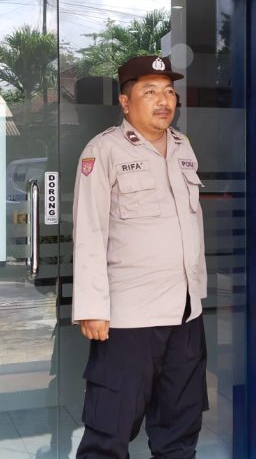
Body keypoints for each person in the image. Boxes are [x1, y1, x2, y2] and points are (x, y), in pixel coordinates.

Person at [72, 55, 209, 458]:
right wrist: (92, 308)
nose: (164, 100)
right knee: (109, 434)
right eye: (150, 92)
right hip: (129, 319)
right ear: (125, 102)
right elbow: (89, 232)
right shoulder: (103, 150)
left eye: (168, 91)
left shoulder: (184, 147)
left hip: (185, 316)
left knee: (180, 431)